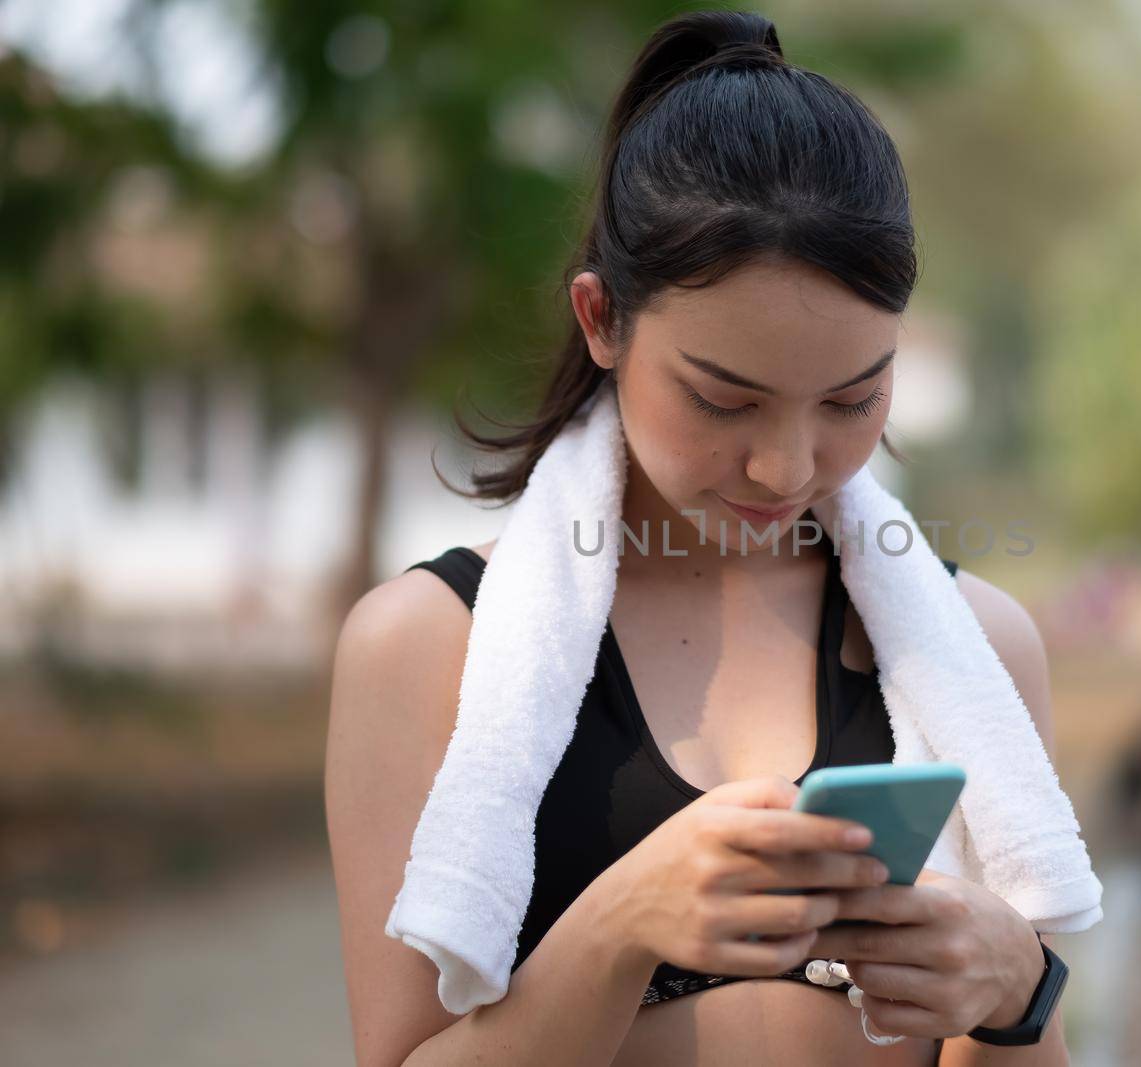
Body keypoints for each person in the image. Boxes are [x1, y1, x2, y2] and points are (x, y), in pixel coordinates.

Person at [325, 11, 1073, 1066]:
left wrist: (1015, 988)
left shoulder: (979, 645)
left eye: (852, 399)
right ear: (601, 320)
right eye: (724, 400)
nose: (788, 465)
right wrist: (625, 919)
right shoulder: (423, 645)